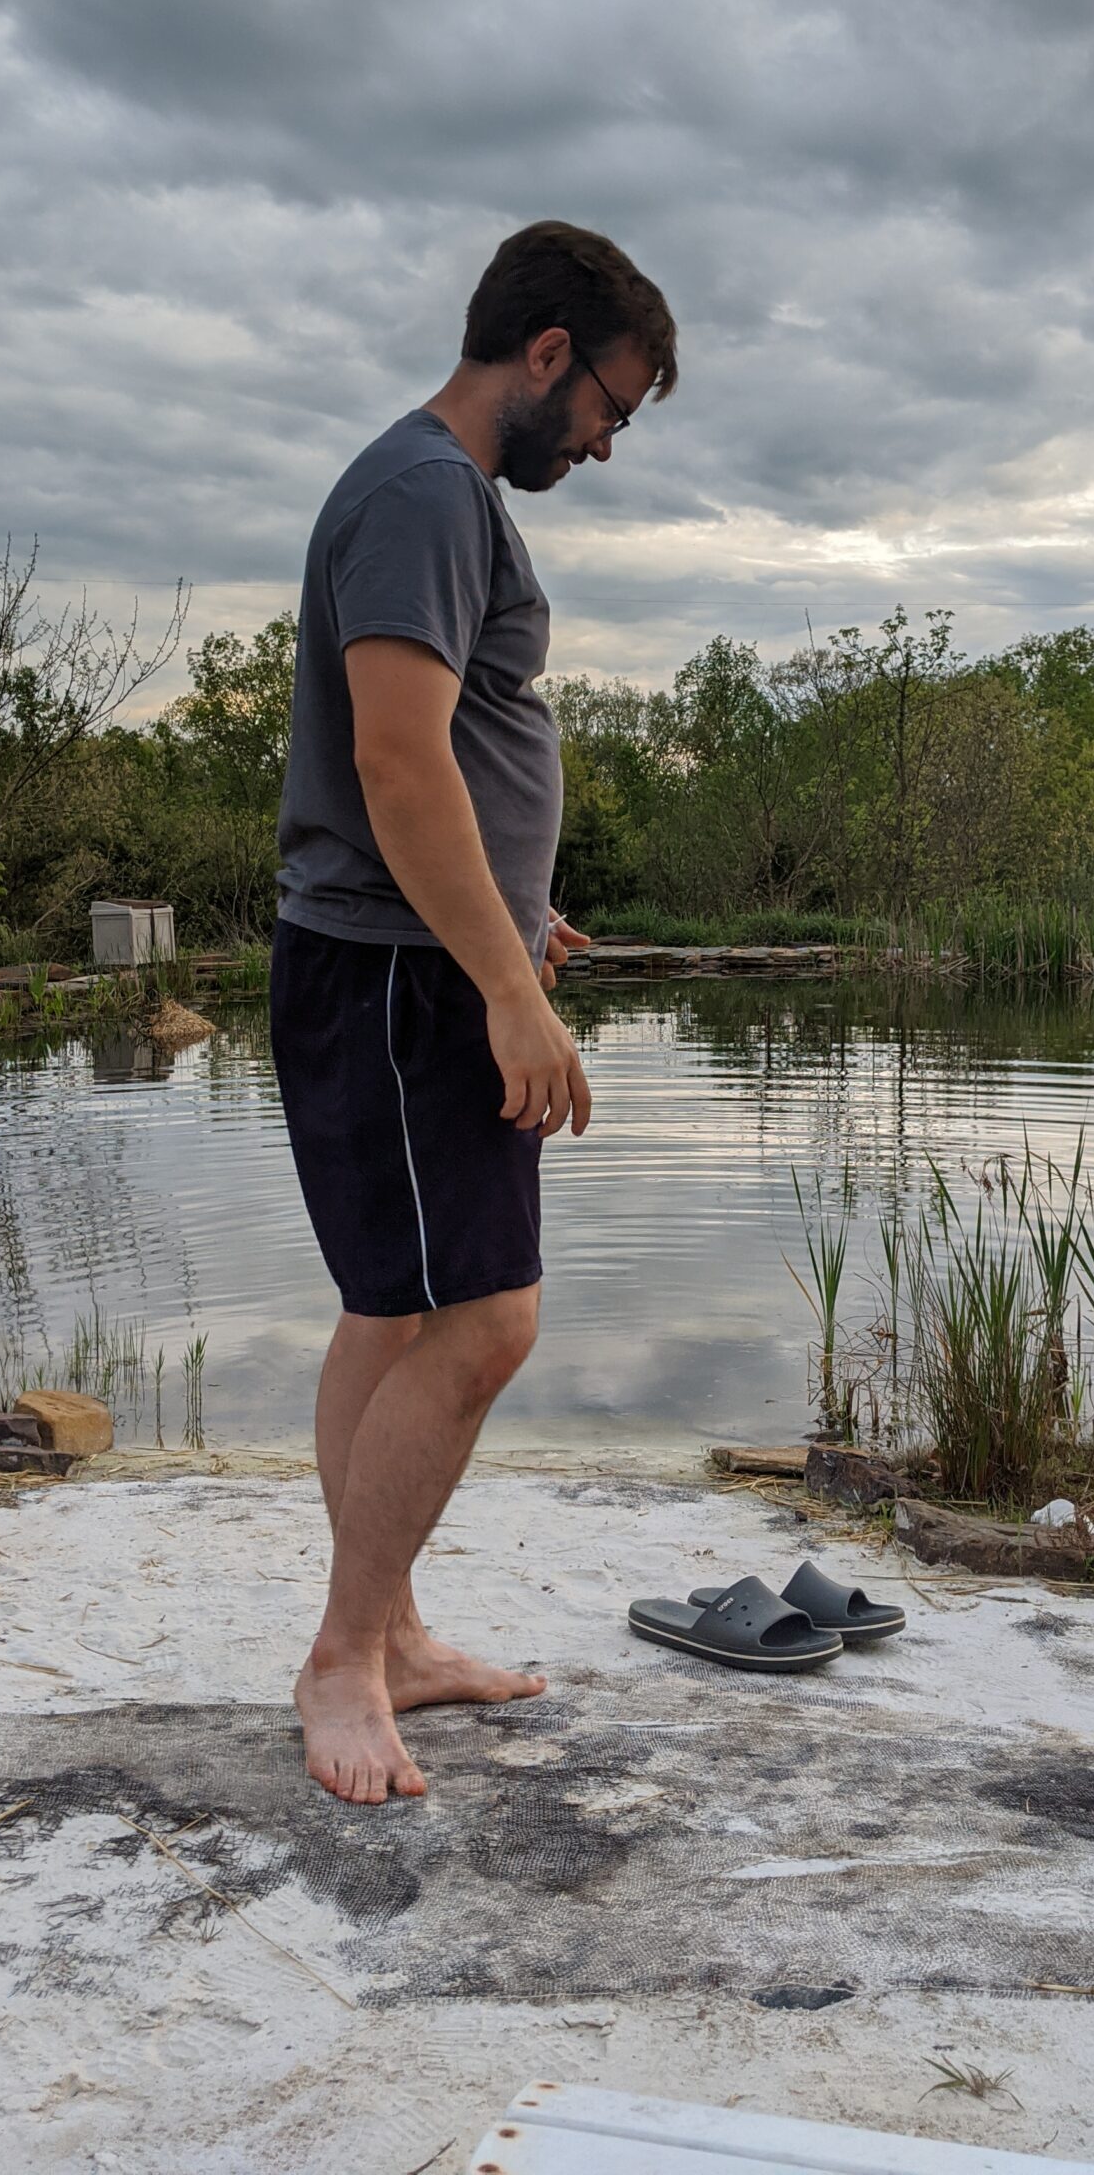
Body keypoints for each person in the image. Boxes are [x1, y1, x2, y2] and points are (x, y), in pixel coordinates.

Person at [271, 219, 678, 1804]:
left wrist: (513, 917)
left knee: (394, 1310)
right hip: (402, 984)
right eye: (609, 411)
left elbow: (439, 762)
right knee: (487, 1320)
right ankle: (341, 1659)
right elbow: (396, 757)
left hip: (403, 961)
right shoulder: (423, 492)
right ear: (550, 352)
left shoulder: (428, 495)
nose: (604, 444)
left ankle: (393, 1634)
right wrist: (505, 988)